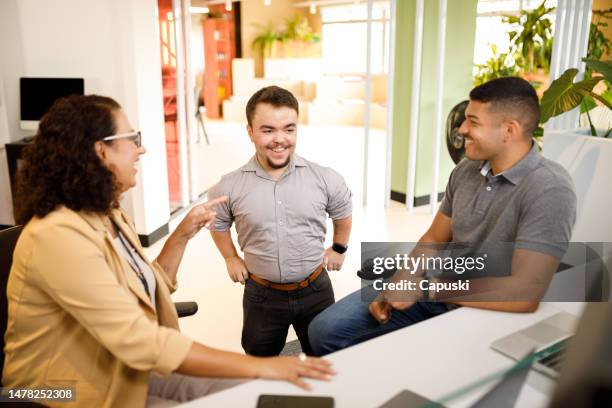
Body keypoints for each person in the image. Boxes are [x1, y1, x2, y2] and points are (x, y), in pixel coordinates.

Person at [3, 95, 335, 407]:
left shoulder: (109, 216)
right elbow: (137, 339)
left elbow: (149, 287)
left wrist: (181, 235)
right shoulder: (57, 236)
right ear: (101, 151)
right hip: (60, 388)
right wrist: (262, 367)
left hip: (123, 367)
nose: (141, 149)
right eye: (132, 138)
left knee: (252, 394)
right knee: (252, 381)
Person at [308, 76, 577, 356]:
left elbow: (525, 293)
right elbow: (435, 237)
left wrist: (426, 290)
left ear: (509, 130)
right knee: (323, 331)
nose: (461, 129)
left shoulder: (550, 188)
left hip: (485, 308)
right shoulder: (466, 170)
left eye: (473, 122)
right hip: (439, 290)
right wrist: (405, 278)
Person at [207, 86, 353, 357]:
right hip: (261, 295)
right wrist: (230, 257)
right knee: (259, 364)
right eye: (268, 130)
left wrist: (339, 248)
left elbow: (342, 211)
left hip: (316, 290)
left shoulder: (325, 178)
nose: (280, 139)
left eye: (289, 129)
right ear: (250, 131)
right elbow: (218, 224)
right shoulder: (228, 186)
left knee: (326, 359)